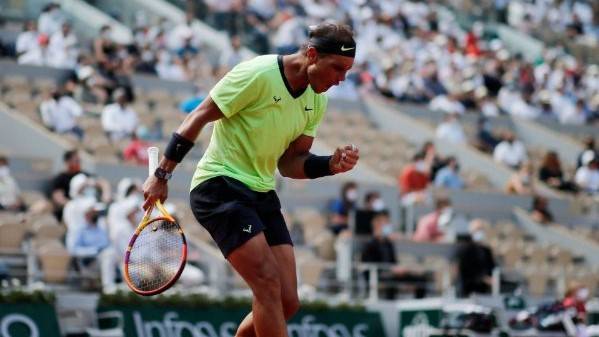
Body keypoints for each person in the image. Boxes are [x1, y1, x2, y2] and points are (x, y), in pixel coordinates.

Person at [142, 23, 358, 337]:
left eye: (348, 71)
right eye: (337, 68)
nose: (341, 79)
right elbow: (199, 115)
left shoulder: (317, 99)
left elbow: (289, 163)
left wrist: (330, 165)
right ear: (311, 55)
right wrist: (162, 174)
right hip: (219, 187)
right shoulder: (257, 74)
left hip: (261, 193)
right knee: (267, 286)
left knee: (287, 301)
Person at [361, 210, 428, 299]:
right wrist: (390, 270)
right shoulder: (370, 244)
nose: (389, 226)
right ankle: (390, 304)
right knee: (391, 281)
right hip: (380, 274)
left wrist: (400, 269)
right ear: (377, 225)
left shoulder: (388, 243)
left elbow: (393, 261)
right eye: (386, 223)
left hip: (392, 273)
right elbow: (369, 265)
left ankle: (419, 304)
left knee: (421, 279)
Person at [455, 219, 496, 297]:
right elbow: (464, 271)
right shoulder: (465, 249)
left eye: (481, 230)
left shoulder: (486, 250)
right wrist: (482, 278)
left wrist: (491, 279)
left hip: (484, 291)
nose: (480, 232)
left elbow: (491, 267)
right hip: (468, 291)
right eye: (477, 230)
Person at [47, 150, 85, 220]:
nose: (78, 163)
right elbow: (58, 198)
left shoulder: (83, 175)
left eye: (79, 161)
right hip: (68, 212)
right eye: (76, 161)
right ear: (67, 162)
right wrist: (74, 206)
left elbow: (100, 182)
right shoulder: (60, 178)